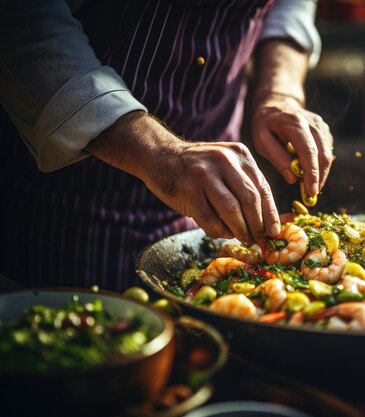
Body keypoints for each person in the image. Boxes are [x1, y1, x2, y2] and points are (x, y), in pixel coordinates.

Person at [0, 0, 334, 290]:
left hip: (205, 220)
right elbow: (25, 20)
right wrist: (161, 154)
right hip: (61, 214)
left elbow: (290, 5)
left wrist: (281, 92)